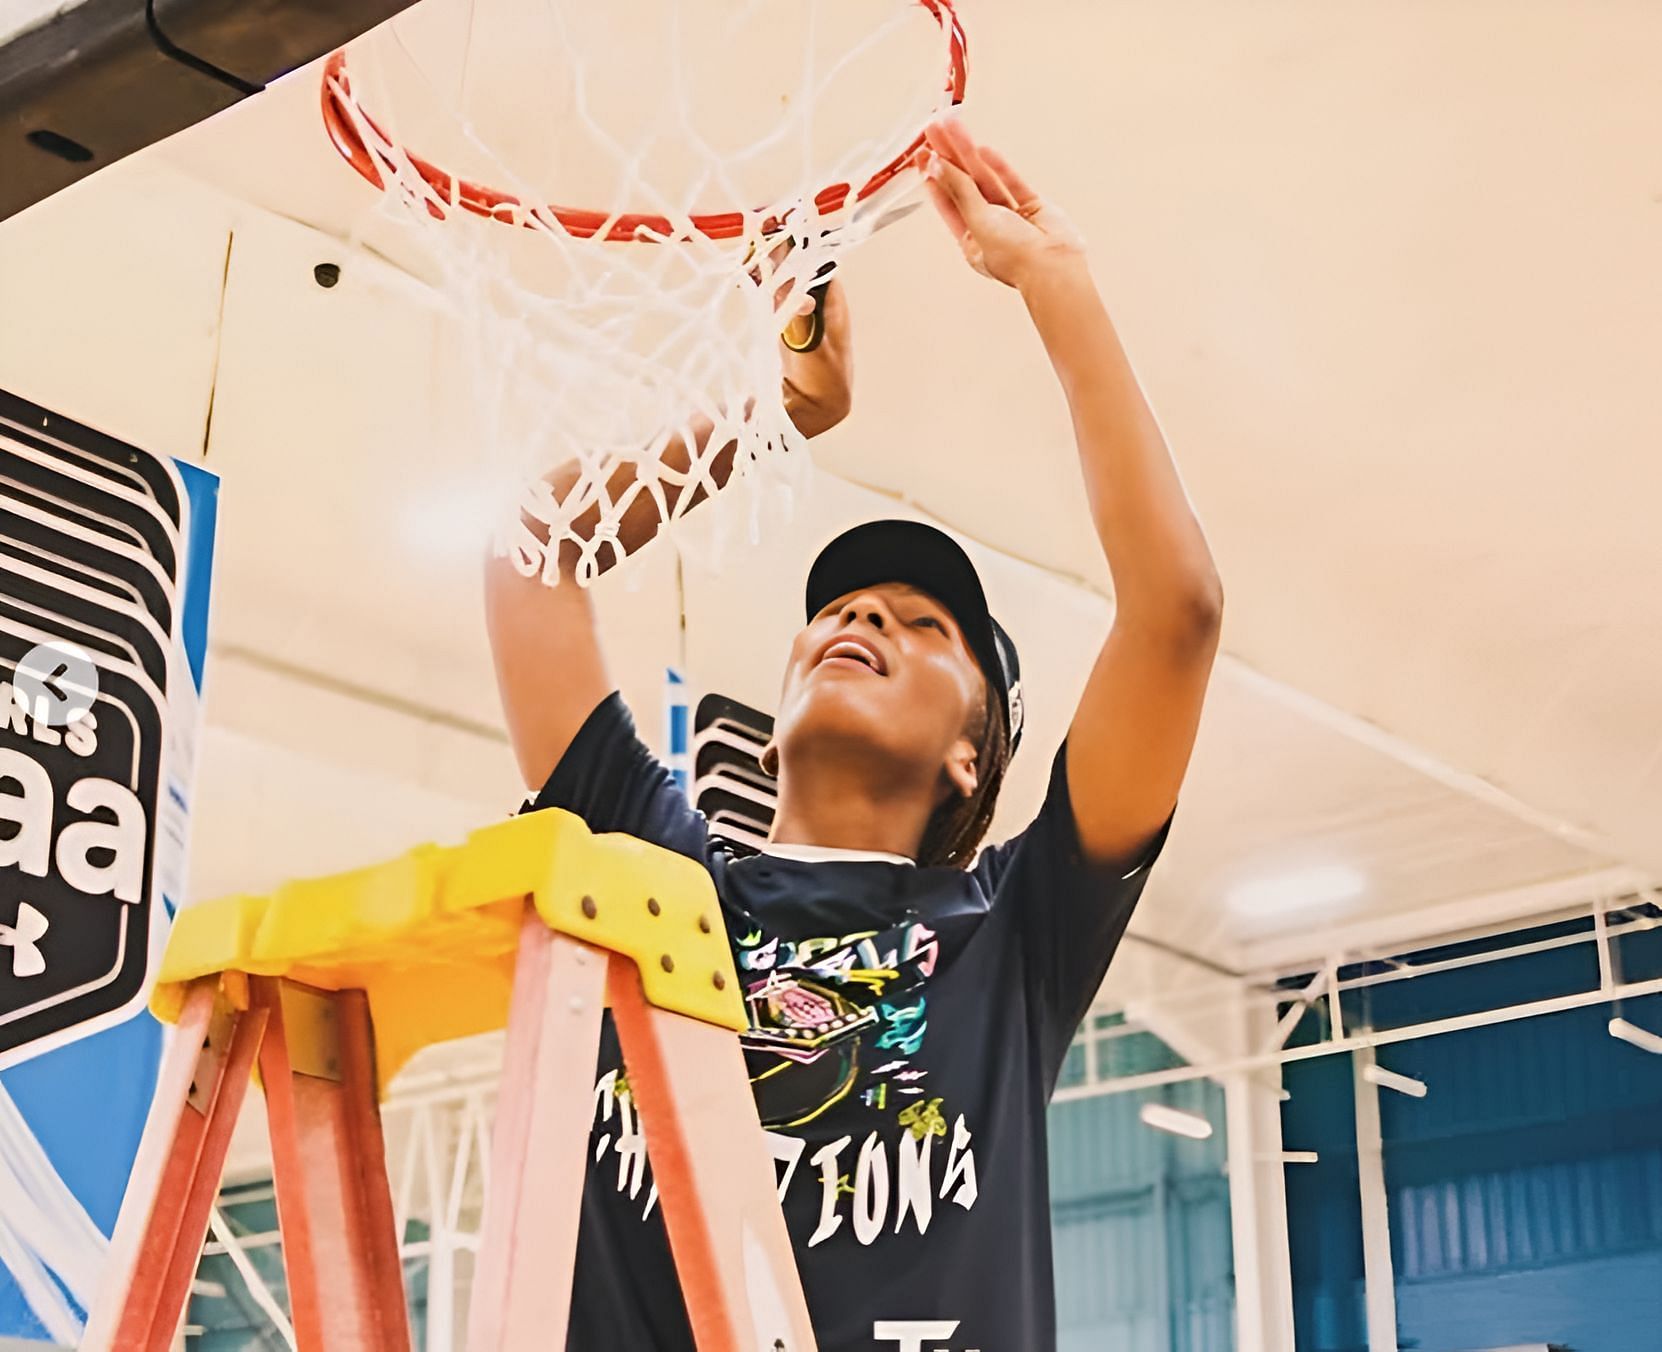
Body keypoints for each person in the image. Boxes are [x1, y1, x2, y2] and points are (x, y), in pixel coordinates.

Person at [485, 118, 1223, 1352]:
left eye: (927, 625)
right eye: (836, 607)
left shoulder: (1012, 931)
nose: (864, 612)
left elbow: (1177, 611)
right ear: (772, 726)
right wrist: (774, 410)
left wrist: (1057, 286)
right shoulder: (654, 880)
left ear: (970, 755)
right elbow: (530, 551)